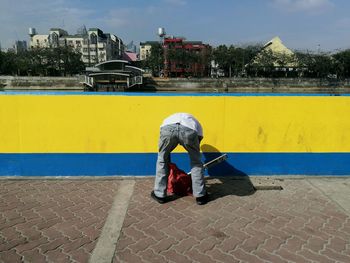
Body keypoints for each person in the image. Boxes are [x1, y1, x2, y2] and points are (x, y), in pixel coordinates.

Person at [151, 113, 209, 205]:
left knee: (162, 160)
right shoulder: (197, 125)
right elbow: (198, 140)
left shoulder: (170, 118)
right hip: (188, 130)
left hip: (167, 128)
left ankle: (159, 194)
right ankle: (200, 196)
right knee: (196, 162)